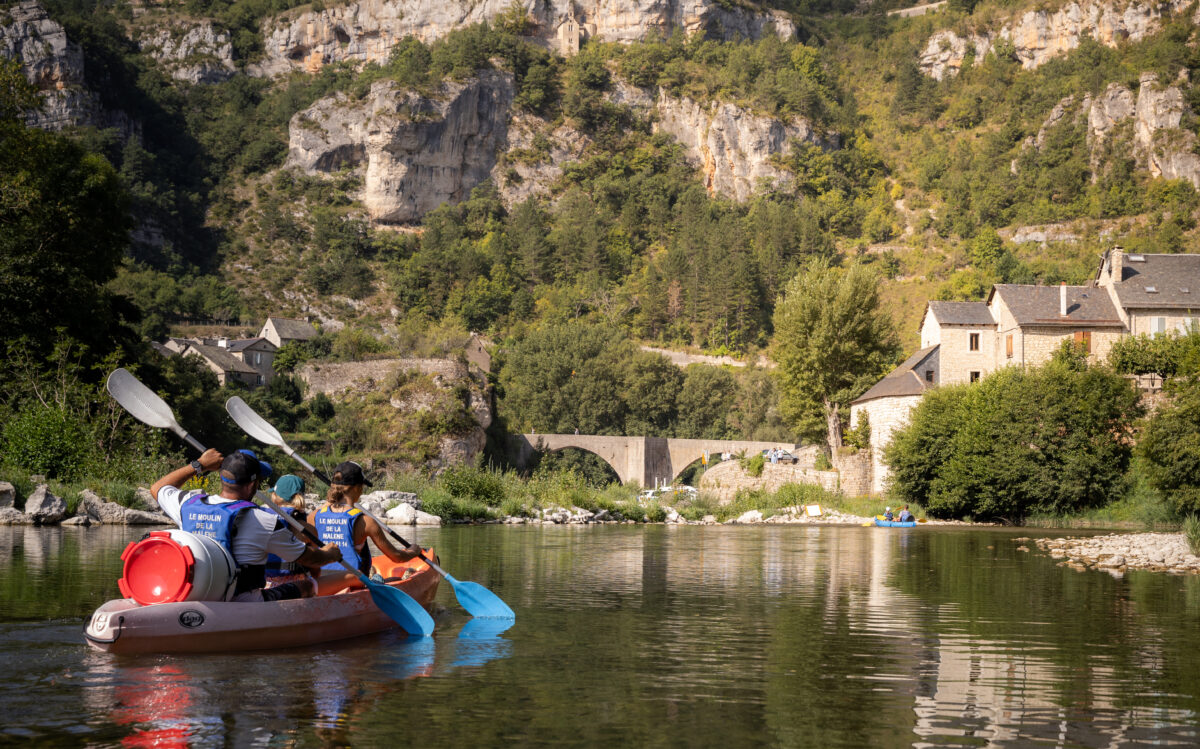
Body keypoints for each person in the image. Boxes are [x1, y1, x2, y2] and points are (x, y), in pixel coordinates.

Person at [151, 449, 342, 602]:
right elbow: (310, 558)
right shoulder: (263, 521)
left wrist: (199, 465)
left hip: (196, 595)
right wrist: (329, 554)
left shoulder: (187, 504)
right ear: (252, 486)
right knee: (306, 586)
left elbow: (157, 488)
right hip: (242, 601)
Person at [314, 461, 425, 595]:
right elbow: (397, 557)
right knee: (393, 579)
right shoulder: (365, 522)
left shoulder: (315, 515)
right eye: (362, 486)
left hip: (320, 584)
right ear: (356, 488)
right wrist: (414, 551)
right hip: (352, 586)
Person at [264, 474, 319, 587]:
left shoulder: (261, 521)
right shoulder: (307, 529)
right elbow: (316, 570)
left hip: (264, 585)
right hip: (296, 587)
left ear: (274, 496)